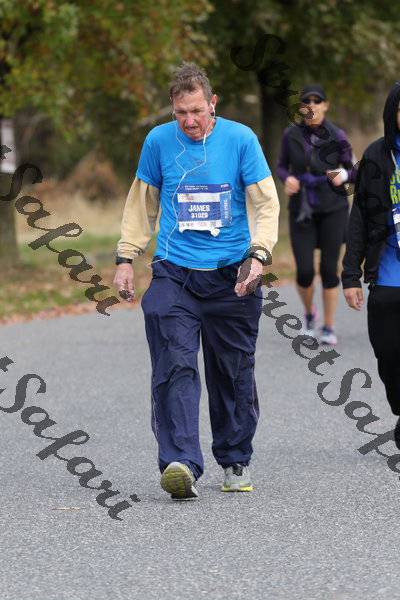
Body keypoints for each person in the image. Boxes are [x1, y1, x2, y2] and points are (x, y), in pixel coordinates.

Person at [113, 62, 280, 499]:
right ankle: (181, 464)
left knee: (232, 371)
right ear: (172, 109)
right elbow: (141, 206)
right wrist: (126, 257)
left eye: (197, 111)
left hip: (232, 275)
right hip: (175, 272)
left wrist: (258, 254)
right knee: (174, 364)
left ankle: (235, 459)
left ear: (213, 103)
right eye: (181, 113)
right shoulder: (158, 141)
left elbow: (266, 204)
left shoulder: (241, 139)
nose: (189, 121)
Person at [342, 80, 400, 448]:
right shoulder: (378, 155)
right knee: (389, 351)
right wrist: (350, 275)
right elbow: (360, 217)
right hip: (389, 269)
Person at [277, 83, 355, 344]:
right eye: (307, 101)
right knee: (305, 272)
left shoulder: (337, 134)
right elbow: (281, 166)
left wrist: (342, 174)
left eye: (317, 101)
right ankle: (310, 315)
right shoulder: (291, 134)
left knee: (330, 270)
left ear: (325, 105)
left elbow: (354, 170)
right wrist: (287, 178)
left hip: (333, 208)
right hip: (302, 209)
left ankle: (329, 327)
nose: (312, 105)